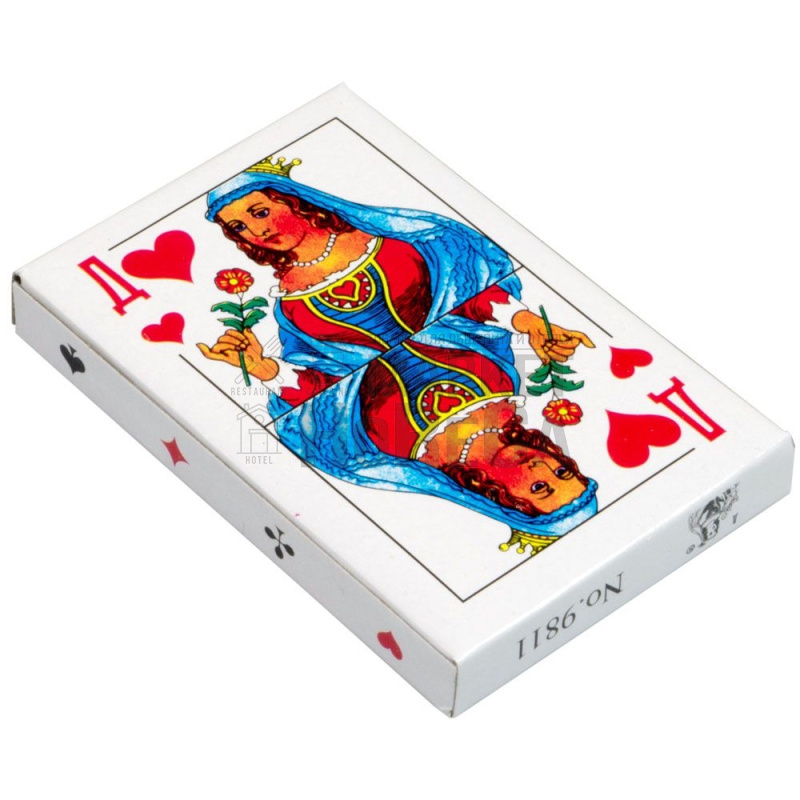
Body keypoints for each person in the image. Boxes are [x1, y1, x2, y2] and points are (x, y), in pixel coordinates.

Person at [198, 157, 597, 552]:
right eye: (563, 471)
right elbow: (466, 296)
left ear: (504, 500)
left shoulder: (392, 448)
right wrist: (528, 322)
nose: (541, 467)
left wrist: (265, 369)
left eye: (540, 487)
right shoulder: (501, 384)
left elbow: (325, 395)